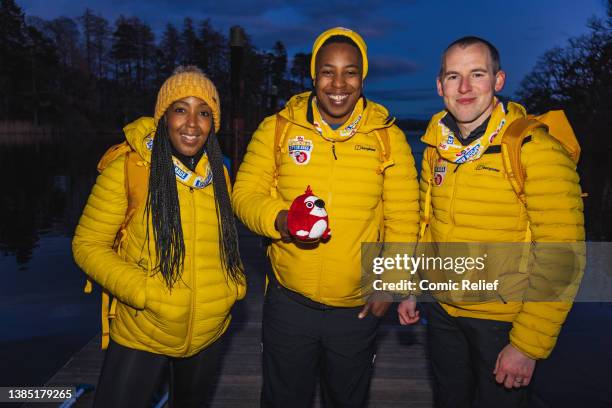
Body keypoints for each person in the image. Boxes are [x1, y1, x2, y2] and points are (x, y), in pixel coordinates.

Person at [232, 27, 420, 407]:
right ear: (313, 75)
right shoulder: (278, 129)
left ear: (362, 77)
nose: (338, 83)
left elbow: (404, 218)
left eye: (350, 72)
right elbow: (244, 195)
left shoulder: (387, 138)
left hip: (356, 309)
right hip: (289, 302)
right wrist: (281, 220)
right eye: (327, 71)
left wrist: (392, 283)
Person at [397, 36, 585, 407]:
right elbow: (426, 224)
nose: (464, 88)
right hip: (444, 313)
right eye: (453, 76)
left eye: (477, 74)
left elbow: (563, 256)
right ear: (440, 86)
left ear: (498, 80)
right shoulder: (436, 148)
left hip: (503, 321)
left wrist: (527, 345)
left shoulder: (535, 150)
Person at [72, 66, 246, 408]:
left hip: (209, 331)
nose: (192, 123)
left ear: (214, 122)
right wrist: (143, 291)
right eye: (180, 109)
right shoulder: (128, 168)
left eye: (204, 112)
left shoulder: (220, 174)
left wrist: (232, 285)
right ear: (163, 116)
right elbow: (87, 245)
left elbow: (224, 241)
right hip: (143, 329)